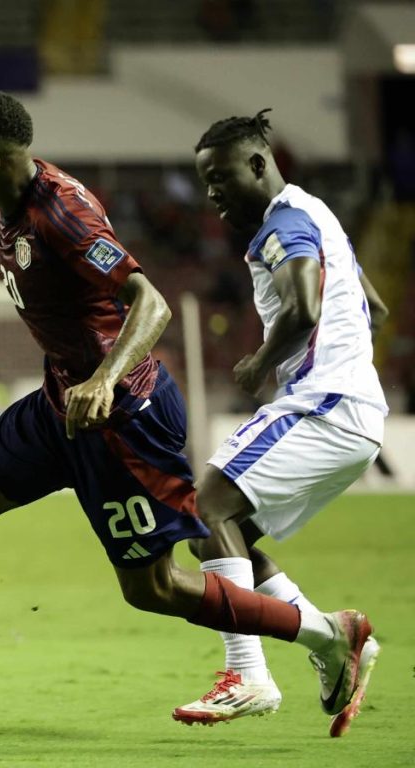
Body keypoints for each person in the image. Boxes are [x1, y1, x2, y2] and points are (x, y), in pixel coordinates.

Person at [0, 91, 372, 727]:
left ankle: (326, 635)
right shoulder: (9, 189)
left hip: (121, 414)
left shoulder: (65, 214)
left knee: (151, 588)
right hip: (61, 400)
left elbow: (149, 303)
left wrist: (104, 379)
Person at [173, 109, 386, 736]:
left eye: (220, 176)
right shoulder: (319, 215)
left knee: (203, 505)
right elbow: (372, 305)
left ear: (260, 164)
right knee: (223, 530)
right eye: (205, 181)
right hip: (350, 405)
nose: (211, 193)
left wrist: (261, 362)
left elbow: (303, 305)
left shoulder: (284, 223)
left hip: (325, 403)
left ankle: (249, 675)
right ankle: (333, 639)